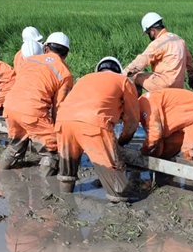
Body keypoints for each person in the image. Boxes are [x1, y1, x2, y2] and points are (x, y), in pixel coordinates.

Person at [56, 57, 140, 202]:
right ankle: (118, 201)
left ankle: (65, 196)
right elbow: (132, 119)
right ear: (118, 71)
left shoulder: (84, 79)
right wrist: (123, 140)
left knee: (67, 171)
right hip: (93, 123)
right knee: (117, 183)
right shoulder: (123, 81)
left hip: (63, 121)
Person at [0, 32, 73, 176]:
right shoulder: (65, 73)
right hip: (32, 111)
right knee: (51, 150)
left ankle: (1, 174)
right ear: (66, 54)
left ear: (46, 48)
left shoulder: (30, 60)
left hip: (10, 107)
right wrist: (57, 132)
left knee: (15, 145)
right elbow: (59, 107)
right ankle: (45, 185)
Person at [139, 88, 193, 160]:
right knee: (166, 150)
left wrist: (143, 152)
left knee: (188, 155)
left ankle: (189, 175)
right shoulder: (142, 105)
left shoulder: (146, 107)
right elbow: (157, 139)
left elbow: (155, 134)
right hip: (184, 119)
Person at [123, 12, 193, 91]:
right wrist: (192, 77)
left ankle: (135, 99)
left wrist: (123, 73)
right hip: (178, 85)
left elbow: (141, 61)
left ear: (152, 31)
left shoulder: (158, 43)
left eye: (148, 33)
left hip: (163, 85)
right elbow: (189, 62)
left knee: (135, 76)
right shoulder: (179, 40)